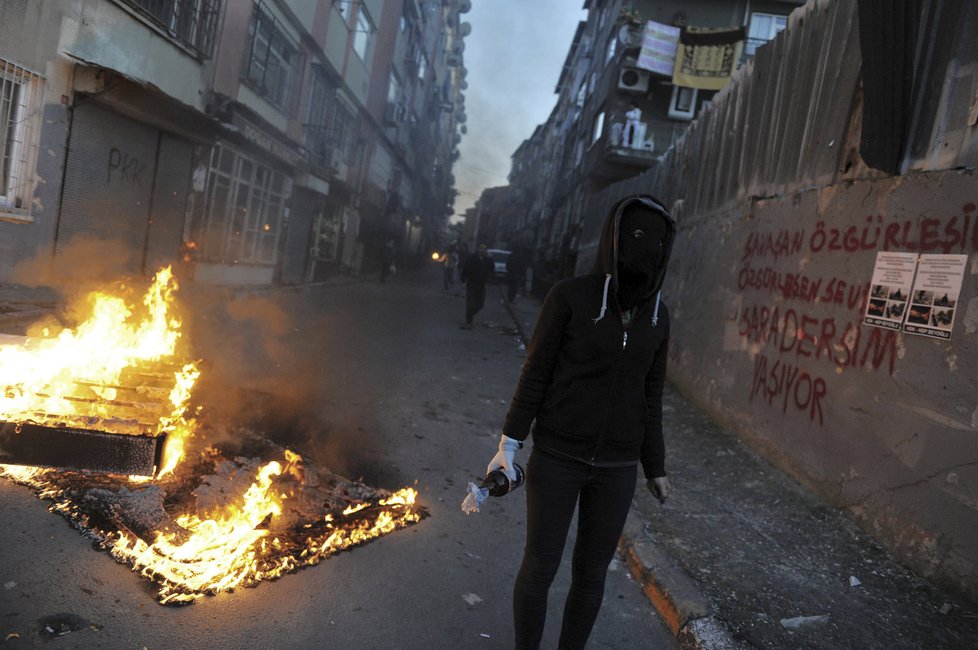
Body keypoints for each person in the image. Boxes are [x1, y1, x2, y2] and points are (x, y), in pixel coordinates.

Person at [485, 194, 675, 649]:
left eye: (655, 246)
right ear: (614, 240)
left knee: (591, 577)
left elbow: (651, 394)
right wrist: (509, 444)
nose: (643, 253)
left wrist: (656, 466)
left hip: (617, 470)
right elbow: (535, 374)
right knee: (540, 569)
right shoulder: (569, 297)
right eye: (634, 239)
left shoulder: (658, 316)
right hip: (558, 459)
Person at [459, 243, 494, 329]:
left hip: (481, 284)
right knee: (470, 303)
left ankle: (470, 314)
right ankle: (469, 322)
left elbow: (492, 269)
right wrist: (463, 280)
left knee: (480, 304)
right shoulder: (472, 258)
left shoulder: (487, 260)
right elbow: (466, 268)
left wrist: (490, 259)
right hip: (471, 283)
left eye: (484, 249)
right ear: (478, 249)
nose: (482, 250)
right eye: (480, 248)